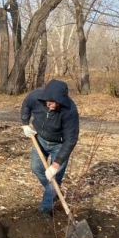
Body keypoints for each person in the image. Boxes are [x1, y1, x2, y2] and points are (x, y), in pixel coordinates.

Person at [20, 79, 79, 219]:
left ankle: (45, 208)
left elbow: (71, 139)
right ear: (46, 98)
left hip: (60, 144)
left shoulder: (69, 110)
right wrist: (25, 123)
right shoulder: (36, 97)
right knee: (36, 168)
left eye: (58, 102)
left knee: (55, 175)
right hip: (39, 139)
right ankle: (54, 192)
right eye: (52, 102)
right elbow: (26, 104)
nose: (54, 105)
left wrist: (56, 164)